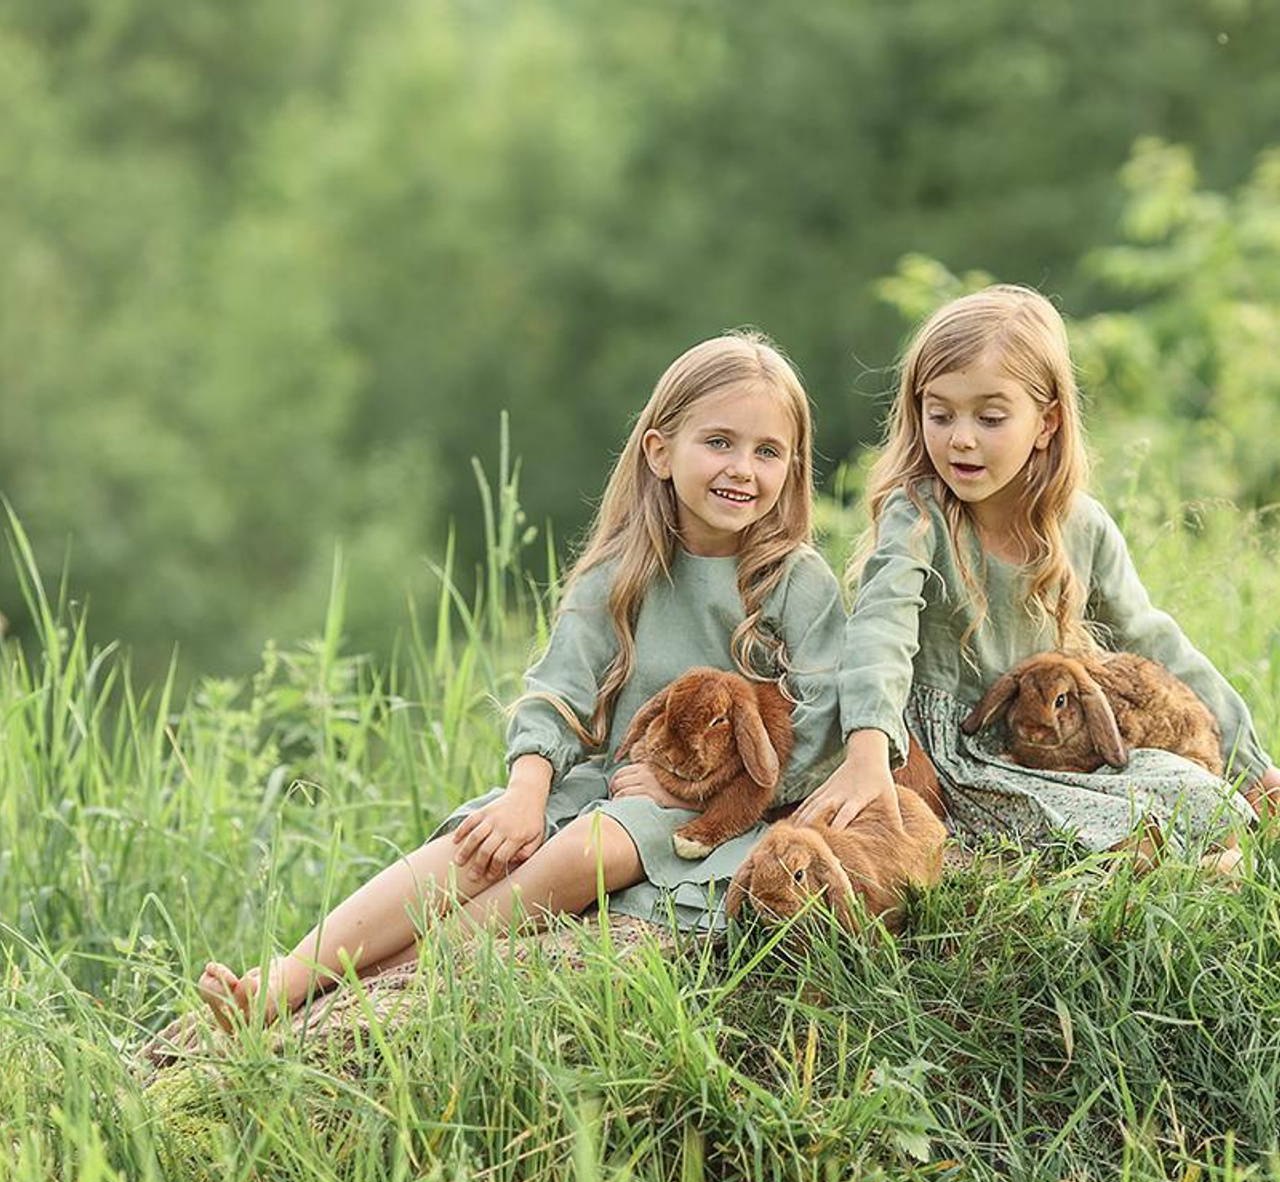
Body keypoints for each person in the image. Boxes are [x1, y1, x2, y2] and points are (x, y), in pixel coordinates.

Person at [200, 331, 845, 1029]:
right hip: (608, 786)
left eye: (767, 451)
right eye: (718, 442)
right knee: (477, 848)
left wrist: (695, 789)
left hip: (711, 819)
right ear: (659, 452)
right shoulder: (620, 573)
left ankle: (408, 972)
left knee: (590, 848)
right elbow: (557, 692)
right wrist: (524, 796)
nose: (742, 468)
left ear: (794, 465)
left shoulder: (794, 583)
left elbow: (822, 721)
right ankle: (289, 977)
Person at [796, 285, 1280, 868]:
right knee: (1096, 830)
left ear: (1046, 422)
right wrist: (869, 748)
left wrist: (1252, 763)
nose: (962, 438)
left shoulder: (1081, 526)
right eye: (940, 414)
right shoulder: (918, 514)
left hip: (1048, 745)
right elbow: (881, 628)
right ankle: (1139, 862)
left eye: (991, 417)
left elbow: (1152, 641)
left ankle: (1193, 855)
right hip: (943, 756)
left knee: (1196, 793)